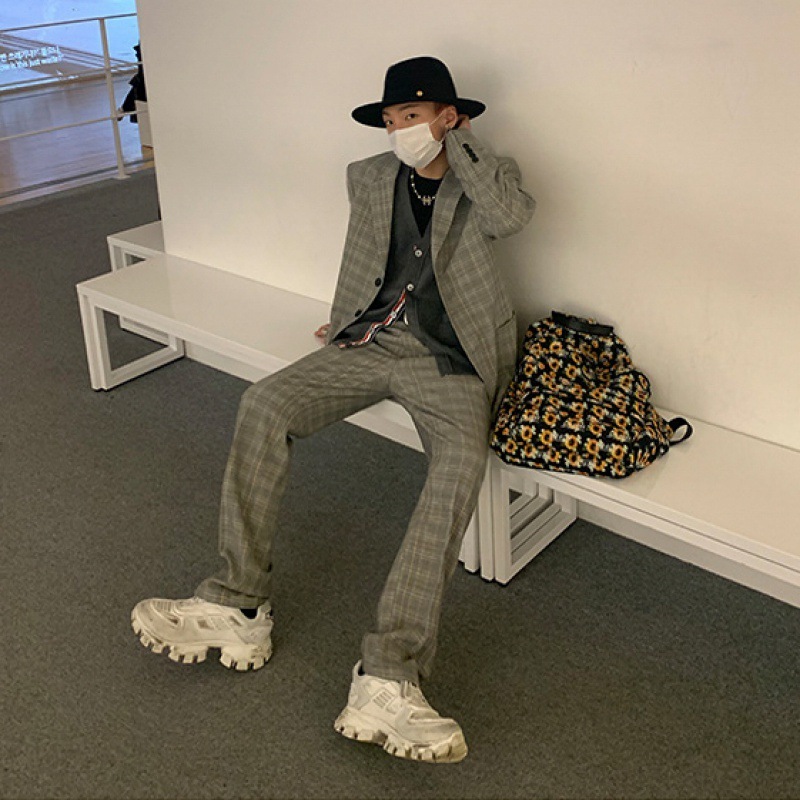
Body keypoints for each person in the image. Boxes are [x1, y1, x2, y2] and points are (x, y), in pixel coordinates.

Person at [131, 55, 535, 764]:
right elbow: (362, 257)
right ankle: (237, 601)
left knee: (459, 465)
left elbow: (511, 218)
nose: (397, 130)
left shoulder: (485, 177)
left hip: (452, 359)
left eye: (411, 116)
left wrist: (465, 145)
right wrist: (347, 318)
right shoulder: (369, 177)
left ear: (446, 116)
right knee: (264, 402)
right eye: (390, 119)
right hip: (373, 341)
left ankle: (389, 673)